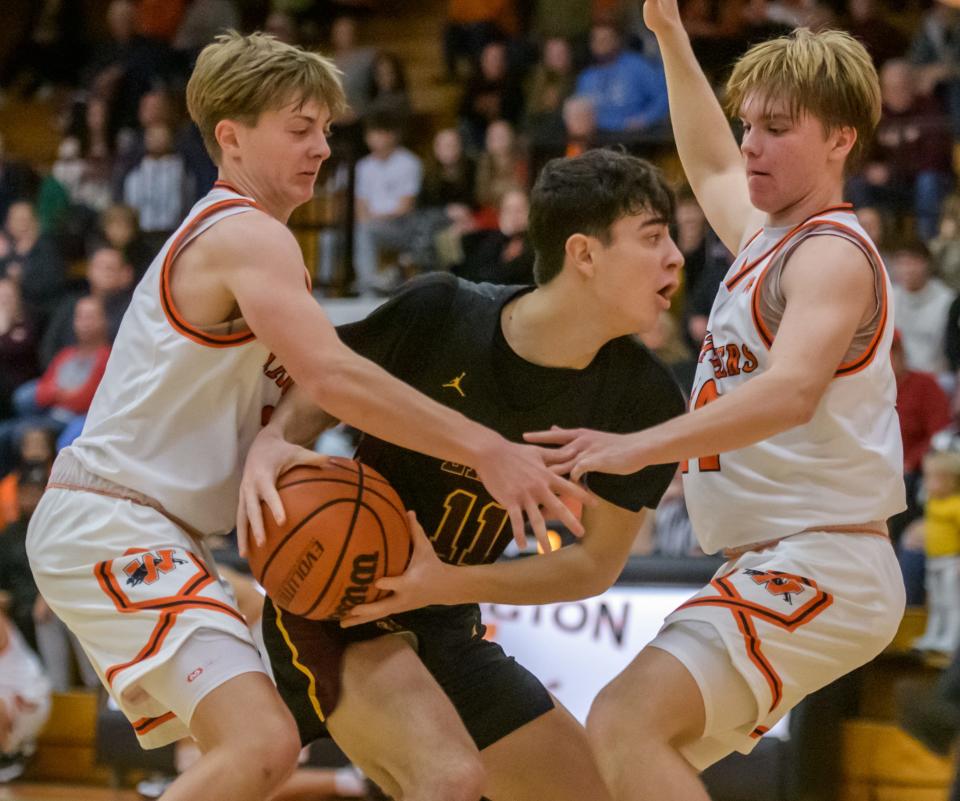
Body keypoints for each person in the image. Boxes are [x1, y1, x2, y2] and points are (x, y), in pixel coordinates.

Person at [25, 31, 587, 801]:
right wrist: (485, 448)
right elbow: (334, 375)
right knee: (260, 743)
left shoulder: (255, 240)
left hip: (157, 527)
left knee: (258, 747)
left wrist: (271, 444)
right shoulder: (243, 233)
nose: (322, 147)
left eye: (326, 128)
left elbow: (311, 384)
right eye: (299, 128)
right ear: (231, 136)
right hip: (118, 518)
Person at [526, 7, 907, 800]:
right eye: (749, 123)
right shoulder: (768, 235)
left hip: (824, 558)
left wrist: (640, 445)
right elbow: (706, 159)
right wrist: (668, 32)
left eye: (778, 127)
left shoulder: (831, 255)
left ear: (839, 138)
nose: (751, 143)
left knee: (626, 721)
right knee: (612, 762)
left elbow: (792, 391)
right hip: (776, 559)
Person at [240, 148, 686, 801]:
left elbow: (594, 565)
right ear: (584, 254)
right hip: (339, 599)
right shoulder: (440, 310)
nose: (676, 254)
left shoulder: (643, 399)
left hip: (445, 613)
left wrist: (448, 582)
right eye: (653, 237)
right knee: (447, 779)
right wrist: (275, 440)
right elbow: (324, 386)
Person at [913, 450, 960, 654]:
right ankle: (933, 636)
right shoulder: (932, 501)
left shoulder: (956, 505)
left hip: (951, 561)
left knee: (952, 602)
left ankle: (951, 639)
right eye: (926, 476)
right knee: (936, 601)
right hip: (933, 560)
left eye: (933, 478)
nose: (927, 482)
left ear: (951, 481)